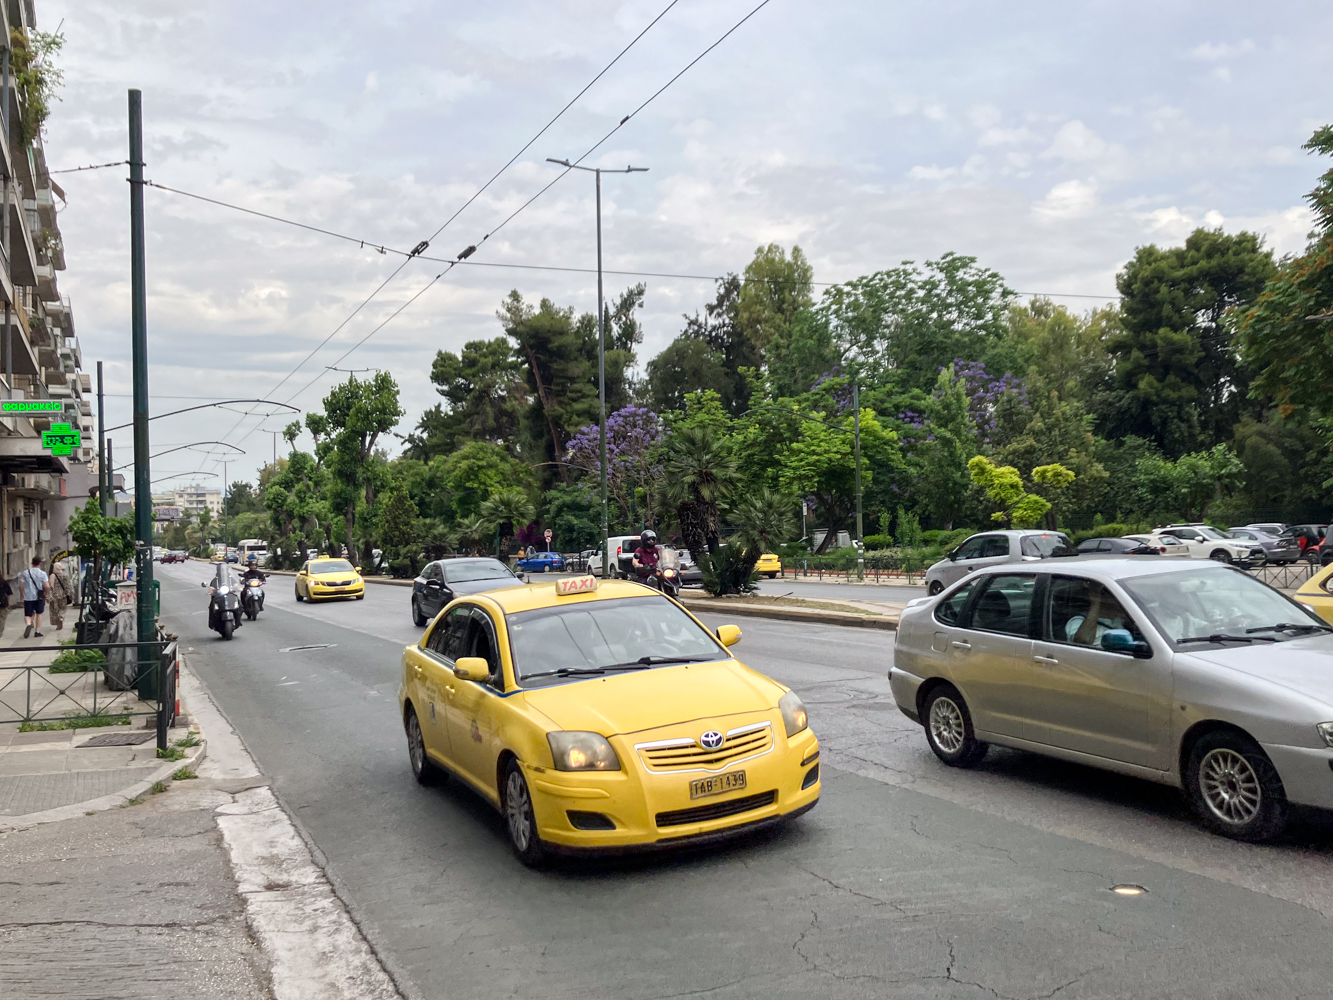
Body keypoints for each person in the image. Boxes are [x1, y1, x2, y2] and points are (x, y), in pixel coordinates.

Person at [21, 555, 50, 639]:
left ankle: (29, 624)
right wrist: (46, 593)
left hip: (28, 596)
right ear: (39, 563)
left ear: (32, 563)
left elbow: (22, 585)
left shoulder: (26, 572)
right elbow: (47, 586)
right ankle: (37, 631)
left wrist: (22, 595)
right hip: (39, 596)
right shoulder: (42, 573)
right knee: (39, 613)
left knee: (28, 613)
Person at [47, 560, 75, 632]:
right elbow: (68, 585)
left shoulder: (52, 576)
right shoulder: (65, 575)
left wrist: (48, 595)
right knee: (63, 608)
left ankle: (57, 624)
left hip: (54, 596)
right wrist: (70, 594)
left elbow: (50, 586)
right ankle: (61, 617)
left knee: (55, 610)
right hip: (63, 595)